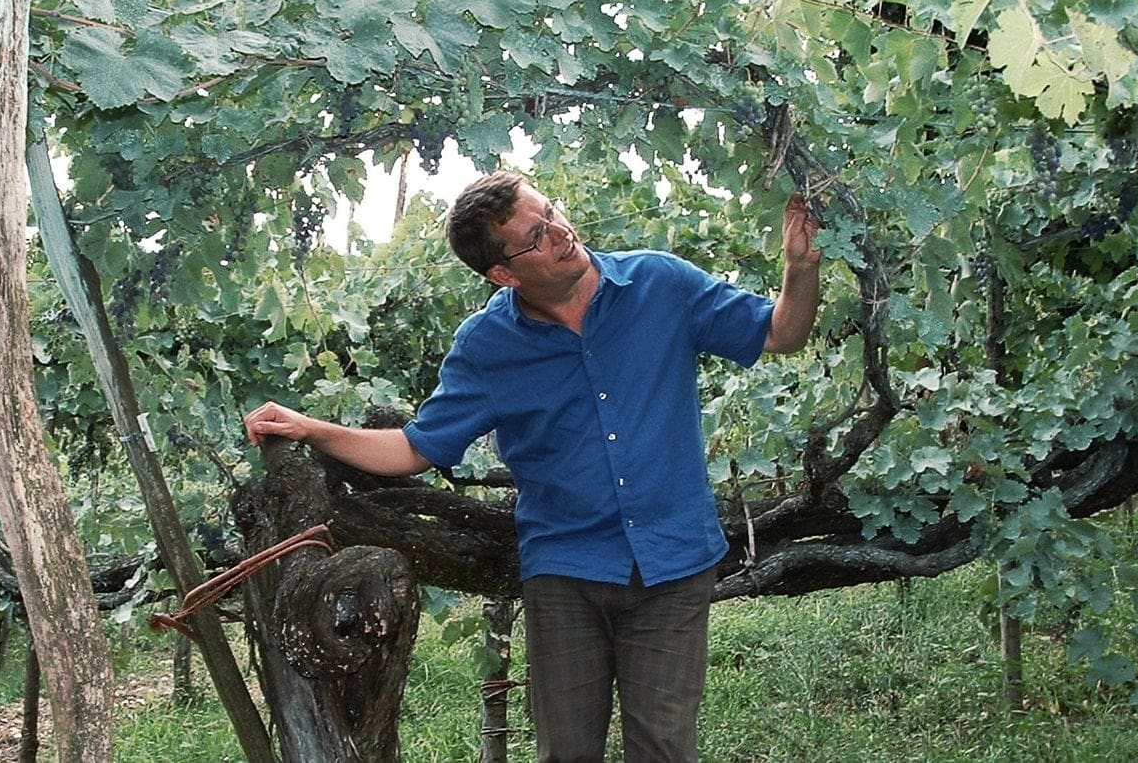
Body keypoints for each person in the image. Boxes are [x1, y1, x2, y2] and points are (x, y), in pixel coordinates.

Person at [244, 171, 822, 762]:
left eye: (550, 213)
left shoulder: (659, 283)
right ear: (503, 273)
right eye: (534, 235)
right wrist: (313, 428)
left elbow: (781, 333)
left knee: (664, 748)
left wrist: (799, 268)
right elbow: (416, 447)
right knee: (565, 753)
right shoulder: (488, 346)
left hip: (674, 564)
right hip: (566, 570)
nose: (560, 233)